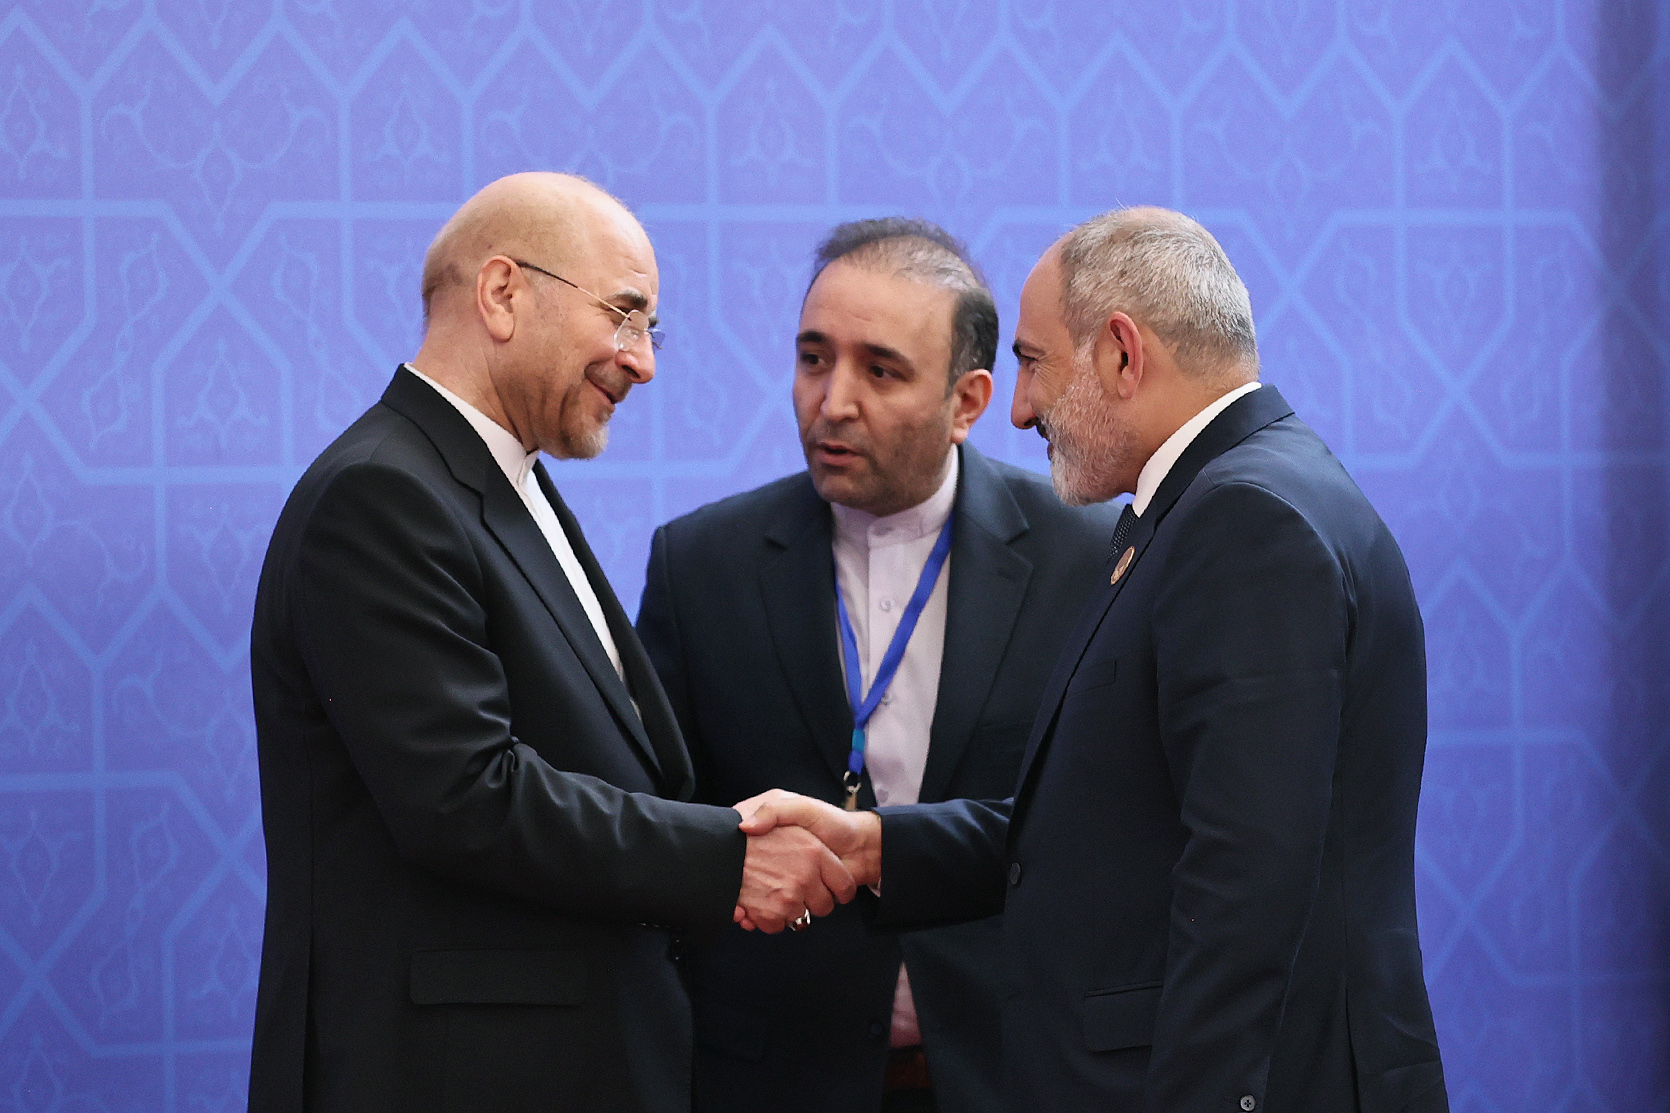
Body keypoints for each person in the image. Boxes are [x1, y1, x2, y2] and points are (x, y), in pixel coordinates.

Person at [740, 207, 1450, 1112]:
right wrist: (879, 845)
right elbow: (1107, 824)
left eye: (1034, 363)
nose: (1021, 408)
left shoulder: (1246, 523)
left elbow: (1244, 888)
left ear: (1121, 353)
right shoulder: (1214, 503)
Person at [246, 172, 855, 1113]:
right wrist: (724, 857)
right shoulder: (381, 494)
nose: (642, 361)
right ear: (503, 294)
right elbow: (466, 796)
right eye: (624, 315)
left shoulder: (496, 482)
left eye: (652, 330)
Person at [636, 219, 1117, 1113]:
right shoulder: (700, 563)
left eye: (881, 371)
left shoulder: (1086, 559)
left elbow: (1106, 828)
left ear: (968, 402)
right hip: (772, 1078)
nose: (833, 402)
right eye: (813, 359)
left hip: (1013, 1072)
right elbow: (657, 824)